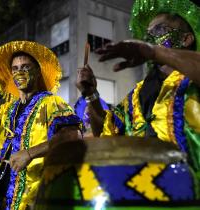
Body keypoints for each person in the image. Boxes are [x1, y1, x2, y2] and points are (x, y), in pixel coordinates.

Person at [77, 0, 200, 179]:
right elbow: (105, 132)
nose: (150, 39)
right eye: (147, 35)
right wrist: (90, 94)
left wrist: (153, 51)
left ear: (186, 39)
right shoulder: (136, 94)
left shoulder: (192, 80)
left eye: (159, 31)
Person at [0, 41, 82, 210]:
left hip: (36, 198)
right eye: (15, 68)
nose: (20, 71)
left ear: (37, 71)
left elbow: (73, 136)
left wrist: (30, 153)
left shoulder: (51, 102)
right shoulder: (6, 109)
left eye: (26, 67)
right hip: (1, 198)